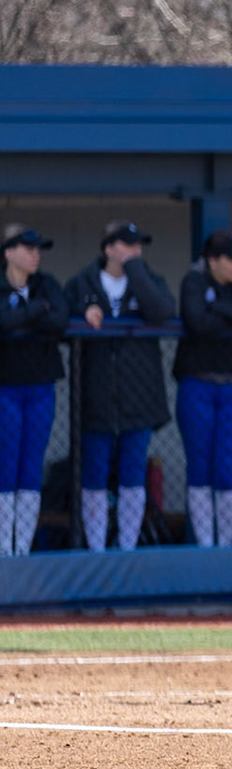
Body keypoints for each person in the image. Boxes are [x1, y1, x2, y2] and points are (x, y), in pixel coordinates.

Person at [66, 221, 175, 552]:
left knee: (133, 474)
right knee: (95, 474)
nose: (135, 251)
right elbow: (59, 314)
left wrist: (137, 272)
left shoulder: (149, 279)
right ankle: (96, 548)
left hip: (139, 395)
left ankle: (127, 547)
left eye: (138, 245)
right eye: (127, 245)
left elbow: (162, 311)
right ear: (108, 248)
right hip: (97, 394)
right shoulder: (82, 283)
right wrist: (84, 311)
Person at [175, 230, 232, 547]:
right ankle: (205, 545)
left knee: (228, 470)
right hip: (197, 384)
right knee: (199, 467)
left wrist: (219, 308)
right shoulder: (194, 281)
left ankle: (225, 545)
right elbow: (196, 322)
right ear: (212, 261)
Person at [0, 225, 68, 556]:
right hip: (5, 387)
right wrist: (37, 310)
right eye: (28, 249)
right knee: (6, 463)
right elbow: (3, 322)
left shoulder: (47, 284)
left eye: (37, 249)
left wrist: (23, 315)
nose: (35, 255)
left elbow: (60, 319)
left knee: (31, 466)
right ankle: (4, 548)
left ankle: (22, 547)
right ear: (8, 252)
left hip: (41, 386)